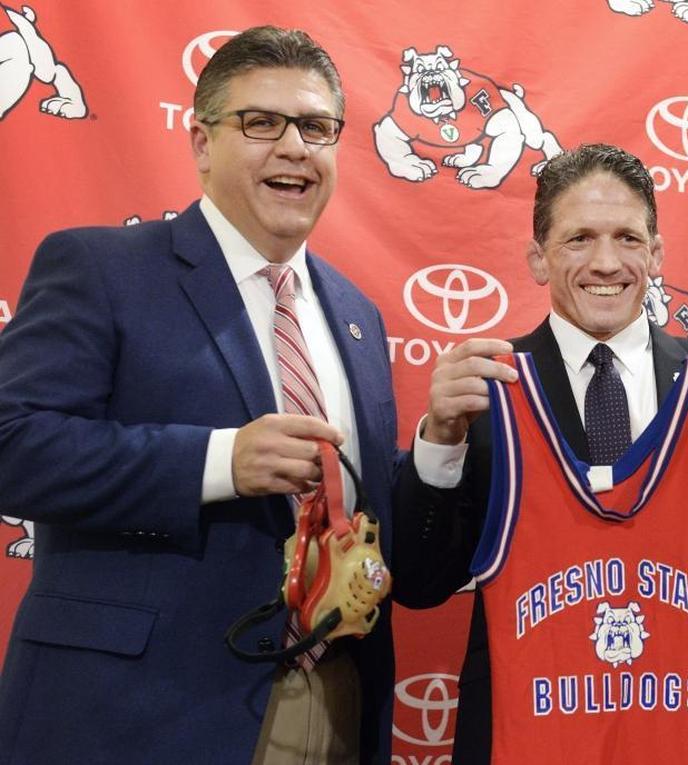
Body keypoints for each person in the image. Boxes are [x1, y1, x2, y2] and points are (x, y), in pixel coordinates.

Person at [0, 26, 404, 763]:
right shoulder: (100, 267)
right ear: (201, 142)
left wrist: (439, 447)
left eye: (316, 127)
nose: (293, 146)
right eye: (261, 122)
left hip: (334, 705)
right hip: (135, 717)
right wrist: (220, 461)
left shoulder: (358, 314)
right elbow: (12, 445)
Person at [391, 143, 688, 763]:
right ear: (538, 258)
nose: (607, 262)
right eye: (579, 239)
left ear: (656, 254)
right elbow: (417, 584)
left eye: (628, 239)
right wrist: (440, 441)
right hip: (531, 735)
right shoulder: (487, 395)